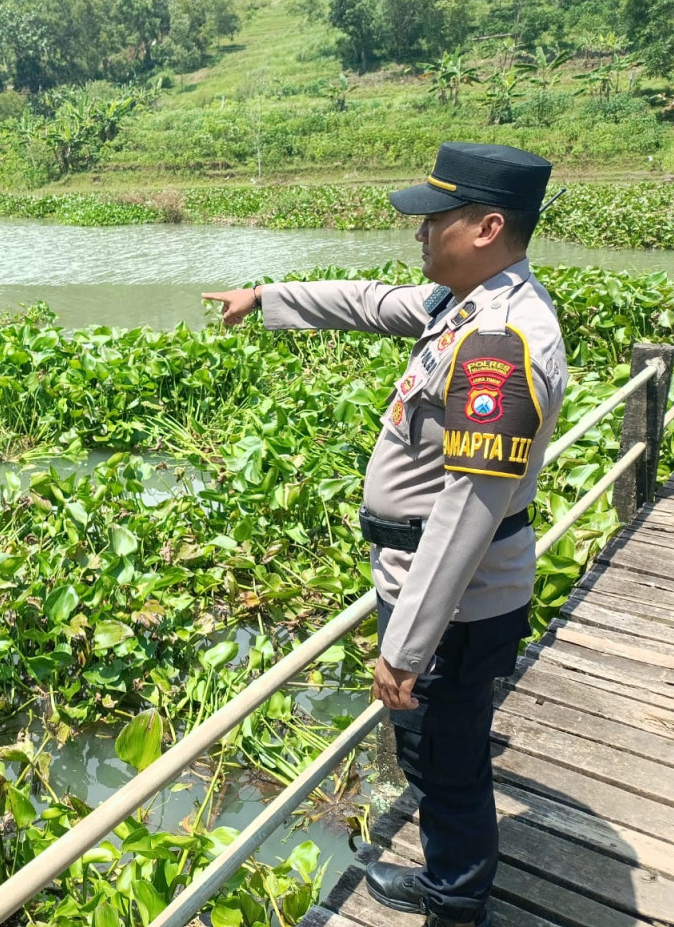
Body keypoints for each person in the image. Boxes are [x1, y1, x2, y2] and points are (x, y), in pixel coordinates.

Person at [203, 143, 568, 927]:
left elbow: (470, 510)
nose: (420, 234)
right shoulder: (462, 305)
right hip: (436, 597)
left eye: (434, 220)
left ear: (487, 226)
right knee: (439, 757)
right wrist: (266, 297)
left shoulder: (501, 343)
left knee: (446, 765)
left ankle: (456, 909)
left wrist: (406, 646)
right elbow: (369, 302)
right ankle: (449, 886)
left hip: (453, 609)